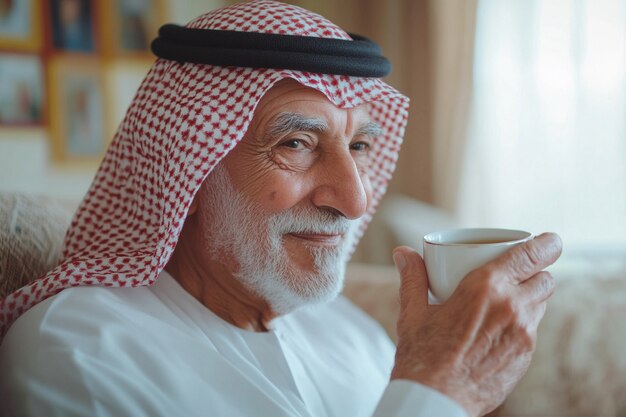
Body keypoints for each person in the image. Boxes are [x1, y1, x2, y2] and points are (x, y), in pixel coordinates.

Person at [0, 1, 562, 416]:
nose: (354, 198)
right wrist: (438, 390)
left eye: (359, 147)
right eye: (296, 144)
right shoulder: (80, 354)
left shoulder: (354, 336)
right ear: (187, 170)